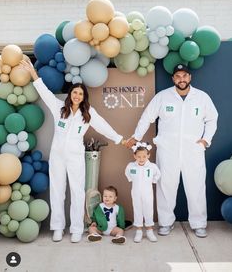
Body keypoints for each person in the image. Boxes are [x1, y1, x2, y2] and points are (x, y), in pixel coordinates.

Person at [20, 60, 124, 243]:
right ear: (70, 94)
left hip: (76, 157)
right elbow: (43, 92)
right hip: (57, 156)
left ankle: (76, 229)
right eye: (75, 92)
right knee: (58, 191)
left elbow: (104, 127)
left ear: (84, 97)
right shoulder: (59, 107)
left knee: (77, 192)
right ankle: (58, 228)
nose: (77, 95)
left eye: (80, 93)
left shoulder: (88, 113)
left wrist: (119, 139)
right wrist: (32, 72)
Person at [126, 64, 218, 238]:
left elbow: (212, 119)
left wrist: (205, 140)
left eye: (184, 76)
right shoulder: (163, 97)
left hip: (193, 151)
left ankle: (199, 224)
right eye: (177, 76)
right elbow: (147, 117)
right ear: (173, 79)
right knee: (166, 187)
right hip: (168, 151)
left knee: (196, 187)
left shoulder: (202, 98)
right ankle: (166, 223)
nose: (181, 79)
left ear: (189, 77)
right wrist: (136, 137)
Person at [125, 142, 160, 243]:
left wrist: (153, 181)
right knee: (137, 209)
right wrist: (131, 179)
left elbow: (158, 174)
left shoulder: (152, 167)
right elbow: (127, 173)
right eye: (139, 156)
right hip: (135, 193)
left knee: (148, 210)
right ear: (134, 155)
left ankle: (149, 230)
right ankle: (139, 231)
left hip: (147, 193)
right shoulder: (131, 166)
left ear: (148, 155)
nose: (141, 159)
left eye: (144, 156)